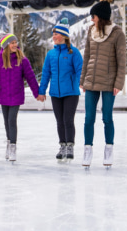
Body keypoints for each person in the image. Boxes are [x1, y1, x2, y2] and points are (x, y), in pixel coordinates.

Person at [80, 0, 126, 168]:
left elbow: (122, 61)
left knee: (107, 117)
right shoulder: (91, 32)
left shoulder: (117, 34)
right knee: (89, 118)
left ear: (101, 17)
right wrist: (83, 79)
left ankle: (109, 148)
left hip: (109, 82)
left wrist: (118, 83)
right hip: (91, 81)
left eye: (94, 16)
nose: (92, 19)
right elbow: (87, 57)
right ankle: (87, 149)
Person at [0, 33, 39, 162]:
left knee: (11, 120)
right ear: (6, 45)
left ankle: (13, 147)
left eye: (16, 42)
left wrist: (37, 93)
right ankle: (9, 144)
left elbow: (31, 77)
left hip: (16, 94)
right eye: (12, 43)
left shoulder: (22, 60)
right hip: (3, 95)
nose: (15, 45)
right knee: (6, 121)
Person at [37, 18, 83, 161]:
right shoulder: (51, 54)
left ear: (63, 35)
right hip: (55, 93)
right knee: (59, 121)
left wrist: (82, 83)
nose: (53, 36)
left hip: (71, 92)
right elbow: (46, 74)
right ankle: (62, 145)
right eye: (53, 34)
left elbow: (80, 70)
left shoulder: (73, 52)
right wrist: (41, 91)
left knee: (68, 120)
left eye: (56, 34)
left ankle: (70, 146)